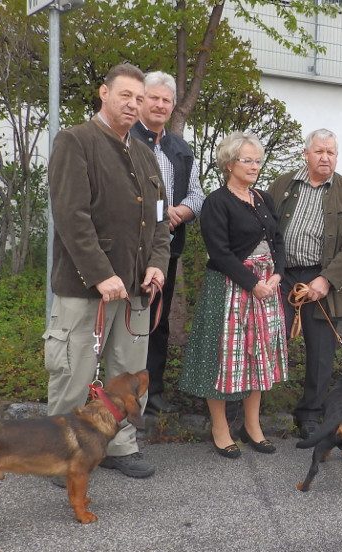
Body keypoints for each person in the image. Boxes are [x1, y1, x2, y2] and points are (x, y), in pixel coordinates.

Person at [45, 63, 168, 479]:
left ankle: (119, 445)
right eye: (126, 96)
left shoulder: (147, 156)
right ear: (104, 93)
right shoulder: (75, 142)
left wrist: (156, 265)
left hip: (135, 290)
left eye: (140, 98)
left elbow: (160, 223)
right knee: (74, 371)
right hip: (85, 289)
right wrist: (101, 273)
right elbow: (71, 216)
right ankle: (58, 452)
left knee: (126, 375)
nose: (134, 105)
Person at [178, 132, 288, 458]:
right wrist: (253, 283)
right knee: (224, 360)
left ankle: (252, 426)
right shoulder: (217, 202)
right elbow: (221, 253)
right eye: (247, 160)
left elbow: (279, 240)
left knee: (259, 359)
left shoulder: (264, 198)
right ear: (229, 163)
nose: (255, 166)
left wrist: (277, 275)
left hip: (267, 289)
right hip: (230, 289)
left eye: (257, 160)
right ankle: (220, 427)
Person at [268, 129, 342, 440]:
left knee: (321, 352)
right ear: (305, 154)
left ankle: (310, 414)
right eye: (320, 151)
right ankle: (252, 409)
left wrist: (327, 279)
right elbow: (265, 226)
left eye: (331, 153)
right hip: (281, 275)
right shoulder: (283, 184)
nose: (326, 157)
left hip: (322, 278)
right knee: (265, 338)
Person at [130, 71, 207, 414]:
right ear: (141, 99)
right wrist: (160, 213)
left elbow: (197, 193)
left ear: (173, 106)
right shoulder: (125, 139)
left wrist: (180, 211)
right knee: (126, 321)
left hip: (168, 250)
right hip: (128, 249)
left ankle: (154, 390)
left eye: (167, 100)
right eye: (154, 98)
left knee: (157, 322)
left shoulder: (180, 148)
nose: (160, 105)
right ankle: (124, 393)